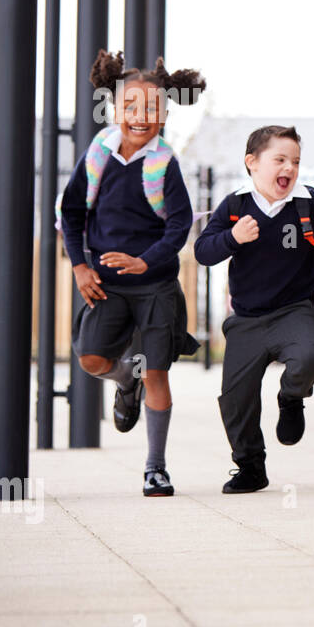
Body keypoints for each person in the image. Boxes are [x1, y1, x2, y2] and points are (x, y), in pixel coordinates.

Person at [59, 49, 203, 497]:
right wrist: (80, 266)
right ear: (116, 108)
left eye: (153, 109)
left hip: (155, 286)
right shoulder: (99, 153)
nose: (141, 117)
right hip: (106, 284)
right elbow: (71, 212)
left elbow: (180, 225)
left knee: (157, 372)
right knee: (91, 360)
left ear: (164, 114)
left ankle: (155, 467)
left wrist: (147, 261)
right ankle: (126, 382)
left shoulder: (164, 163)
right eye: (132, 107)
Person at [194, 126, 314, 493]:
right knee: (235, 400)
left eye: (296, 161)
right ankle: (250, 467)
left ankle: (291, 397)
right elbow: (203, 252)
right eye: (280, 160)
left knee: (311, 356)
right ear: (252, 163)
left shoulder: (310, 204)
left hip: (294, 311)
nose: (290, 167)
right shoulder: (235, 206)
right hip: (246, 320)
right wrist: (231, 238)